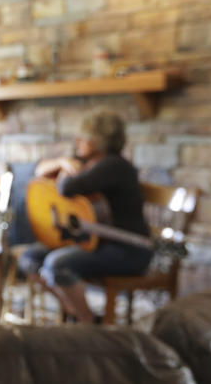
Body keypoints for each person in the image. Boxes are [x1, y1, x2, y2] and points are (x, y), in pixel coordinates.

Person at [19, 110, 152, 323]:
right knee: (30, 257)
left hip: (127, 250)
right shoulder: (87, 163)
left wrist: (66, 170)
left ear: (99, 142)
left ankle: (87, 322)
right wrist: (62, 162)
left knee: (57, 263)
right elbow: (38, 171)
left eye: (84, 138)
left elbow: (67, 187)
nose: (78, 142)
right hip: (95, 242)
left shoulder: (114, 166)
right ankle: (73, 310)